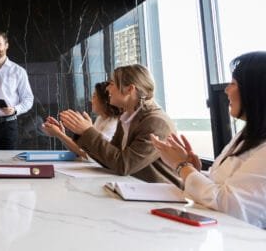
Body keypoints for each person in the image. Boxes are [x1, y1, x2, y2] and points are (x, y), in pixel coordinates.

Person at [151, 52, 266, 228]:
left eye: (233, 84)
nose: (226, 90)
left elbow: (232, 206)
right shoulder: (247, 135)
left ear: (256, 91)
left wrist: (183, 167)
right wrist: (195, 171)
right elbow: (222, 185)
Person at [60, 64, 180, 185]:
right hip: (137, 188)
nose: (107, 89)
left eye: (112, 84)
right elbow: (109, 159)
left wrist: (87, 131)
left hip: (163, 195)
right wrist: (83, 131)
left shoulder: (156, 123)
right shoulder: (127, 117)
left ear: (130, 89)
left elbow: (124, 165)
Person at [42, 81, 121, 158]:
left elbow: (88, 155)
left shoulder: (113, 124)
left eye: (94, 96)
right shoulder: (101, 119)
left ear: (104, 101)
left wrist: (60, 134)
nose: (91, 100)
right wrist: (61, 133)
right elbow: (81, 150)